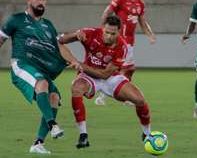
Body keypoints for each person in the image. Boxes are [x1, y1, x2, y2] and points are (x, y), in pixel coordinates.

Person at [0, 0, 81, 155]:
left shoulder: (48, 26)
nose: (41, 2)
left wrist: (74, 61)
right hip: (21, 66)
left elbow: (58, 47)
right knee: (41, 83)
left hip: (40, 69)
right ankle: (53, 125)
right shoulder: (16, 20)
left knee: (54, 97)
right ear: (28, 0)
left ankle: (38, 143)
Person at [59, 15, 152, 148]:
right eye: (106, 32)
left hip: (110, 78)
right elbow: (60, 41)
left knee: (140, 100)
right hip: (89, 76)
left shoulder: (122, 47)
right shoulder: (90, 33)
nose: (108, 36)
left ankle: (147, 134)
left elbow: (104, 75)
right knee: (76, 89)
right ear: (103, 29)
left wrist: (80, 64)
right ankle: (83, 135)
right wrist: (74, 37)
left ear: (119, 32)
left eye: (112, 33)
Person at [95, 0, 156, 106]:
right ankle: (113, 95)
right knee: (123, 68)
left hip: (130, 41)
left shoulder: (140, 3)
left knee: (129, 69)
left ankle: (113, 94)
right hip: (120, 41)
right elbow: (106, 13)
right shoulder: (120, 0)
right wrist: (103, 32)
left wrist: (149, 34)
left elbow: (142, 22)